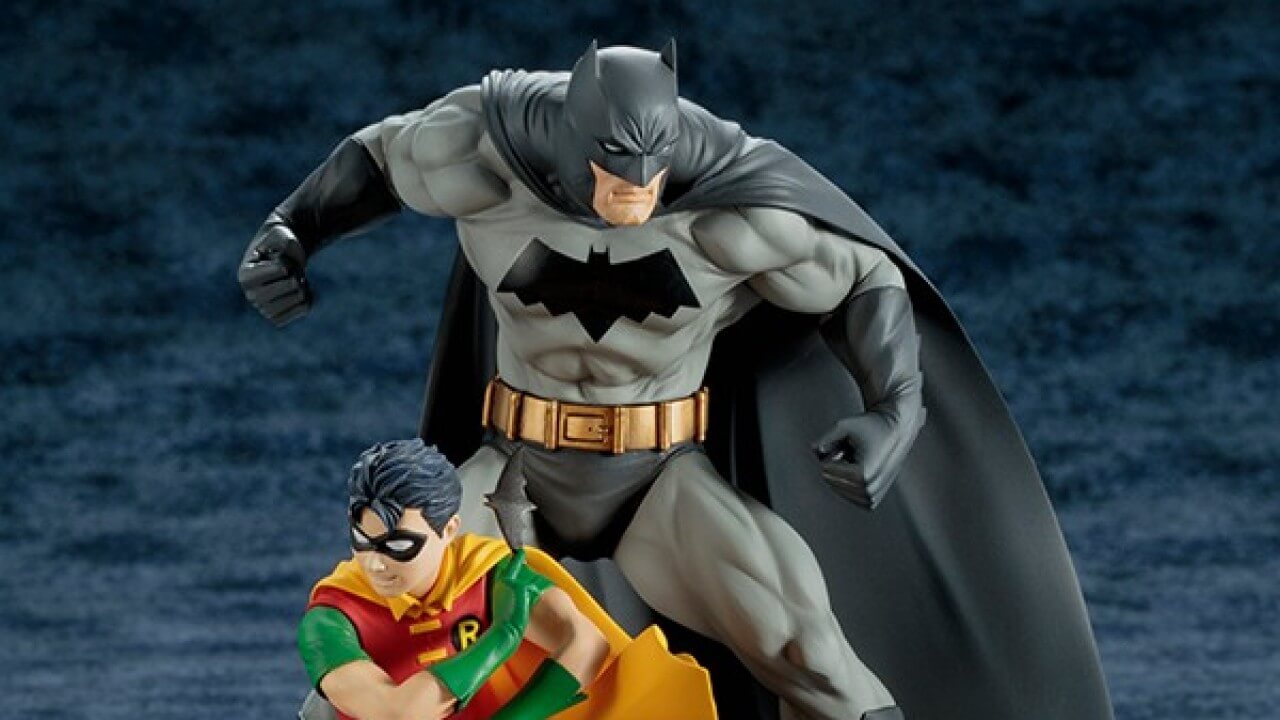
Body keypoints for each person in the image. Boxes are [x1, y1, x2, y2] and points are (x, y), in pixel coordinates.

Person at [247, 41, 1113, 720]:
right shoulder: (485, 151)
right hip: (512, 467)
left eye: (650, 174)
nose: (635, 194)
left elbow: (860, 279)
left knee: (811, 657)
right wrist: (290, 231)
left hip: (657, 480)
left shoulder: (728, 208)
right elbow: (378, 160)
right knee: (372, 654)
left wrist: (894, 406)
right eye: (612, 172)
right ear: (570, 145)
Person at [297, 439, 715, 720]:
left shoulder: (486, 574)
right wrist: (502, 637)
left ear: (448, 530)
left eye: (400, 545)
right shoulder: (333, 617)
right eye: (362, 541)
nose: (375, 564)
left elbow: (586, 642)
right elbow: (399, 713)